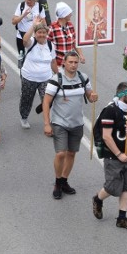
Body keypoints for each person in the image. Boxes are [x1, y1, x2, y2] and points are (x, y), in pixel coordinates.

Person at [42, 51, 97, 200]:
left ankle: (64, 181)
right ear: (64, 63)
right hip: (59, 123)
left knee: (71, 153)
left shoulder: (83, 78)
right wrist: (47, 124)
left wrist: (92, 96)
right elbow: (46, 102)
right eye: (70, 62)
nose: (73, 65)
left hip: (77, 123)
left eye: (75, 62)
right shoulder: (56, 80)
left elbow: (90, 96)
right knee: (61, 153)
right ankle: (57, 183)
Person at [92, 81, 127, 231]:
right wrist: (119, 154)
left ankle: (122, 218)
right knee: (112, 187)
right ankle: (98, 198)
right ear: (122, 95)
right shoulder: (111, 111)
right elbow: (106, 136)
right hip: (113, 156)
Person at [19, 21, 56, 129]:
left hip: (46, 78)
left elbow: (53, 62)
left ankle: (48, 122)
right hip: (29, 77)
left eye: (44, 32)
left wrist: (59, 76)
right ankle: (24, 117)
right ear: (35, 33)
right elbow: (24, 40)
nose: (42, 35)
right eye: (39, 32)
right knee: (27, 99)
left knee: (48, 100)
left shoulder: (50, 45)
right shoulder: (31, 42)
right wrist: (33, 26)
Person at [12, 0, 46, 68]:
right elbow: (14, 21)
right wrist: (23, 15)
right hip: (21, 36)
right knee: (22, 58)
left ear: (35, 0)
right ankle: (23, 74)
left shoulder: (40, 7)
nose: (27, 1)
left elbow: (44, 24)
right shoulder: (21, 6)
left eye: (29, 0)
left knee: (33, 57)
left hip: (34, 37)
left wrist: (41, 22)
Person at [48, 2, 85, 67]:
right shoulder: (52, 28)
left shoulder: (70, 25)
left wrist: (81, 55)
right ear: (64, 15)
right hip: (58, 65)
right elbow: (47, 46)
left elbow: (74, 42)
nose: (71, 14)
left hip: (70, 65)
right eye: (69, 13)